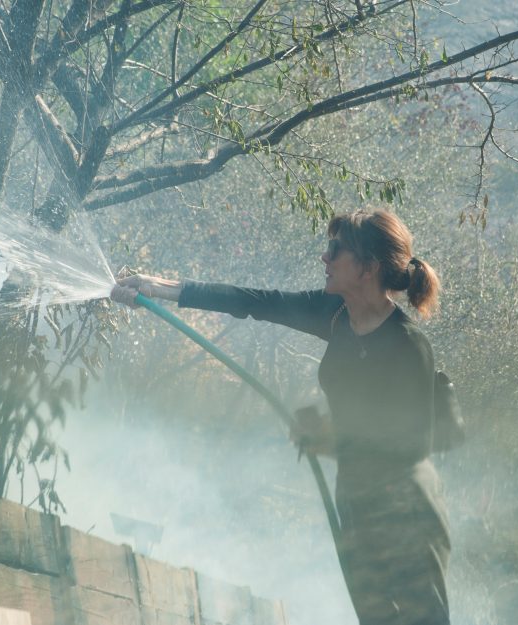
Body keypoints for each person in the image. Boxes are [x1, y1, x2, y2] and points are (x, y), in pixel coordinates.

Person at [111, 209, 451, 625]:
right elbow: (256, 301)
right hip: (357, 500)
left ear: (368, 268)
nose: (324, 259)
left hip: (407, 513)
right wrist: (157, 287)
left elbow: (412, 445)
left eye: (335, 250)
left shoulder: (408, 346)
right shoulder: (335, 314)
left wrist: (330, 437)